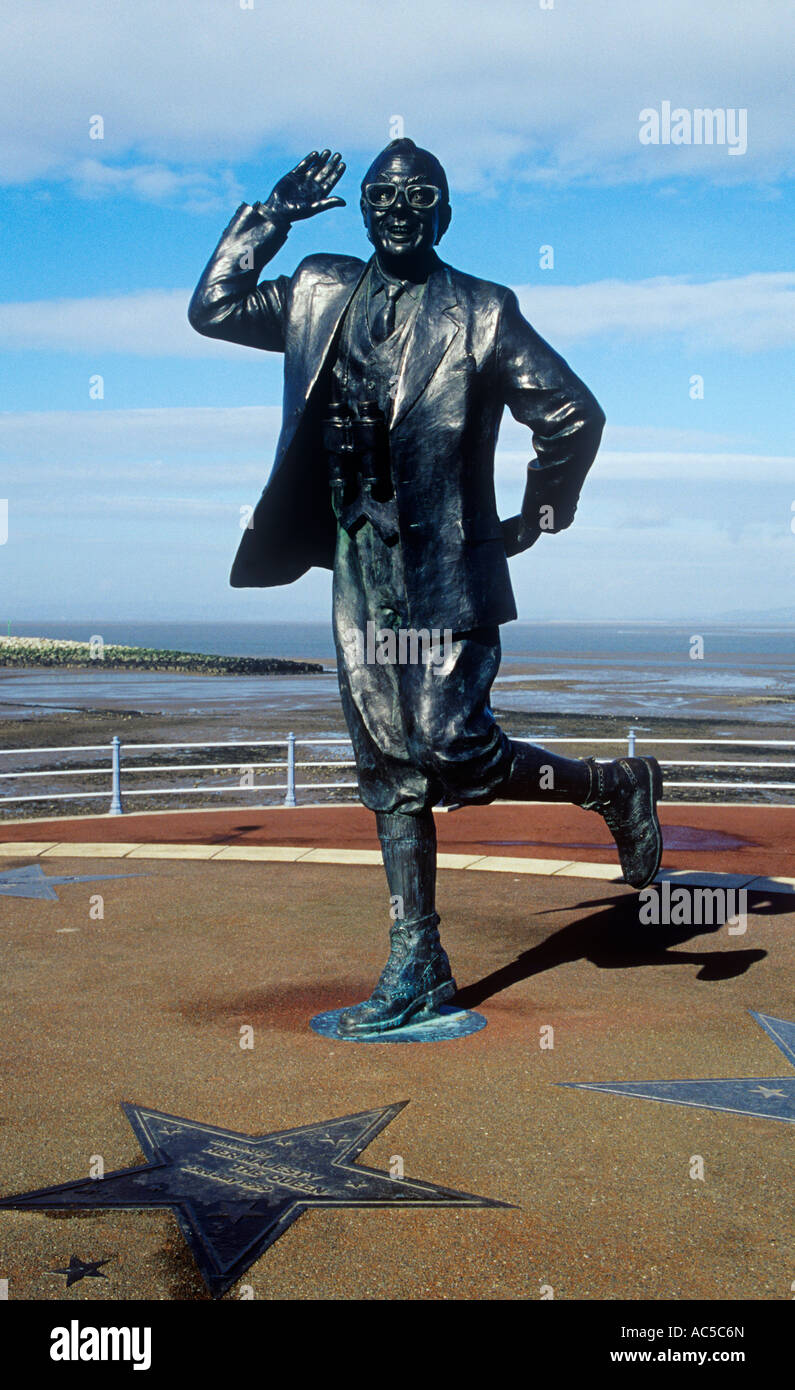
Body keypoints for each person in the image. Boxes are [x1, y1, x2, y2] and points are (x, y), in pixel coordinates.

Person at [188, 140, 663, 1035]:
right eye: (384, 197)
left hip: (447, 564)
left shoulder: (483, 309)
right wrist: (273, 219)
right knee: (387, 766)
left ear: (444, 213)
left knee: (451, 748)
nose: (400, 210)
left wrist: (540, 514)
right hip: (360, 559)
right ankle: (418, 963)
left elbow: (569, 413)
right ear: (363, 210)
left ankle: (610, 784)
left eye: (420, 198)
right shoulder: (318, 288)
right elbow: (211, 310)